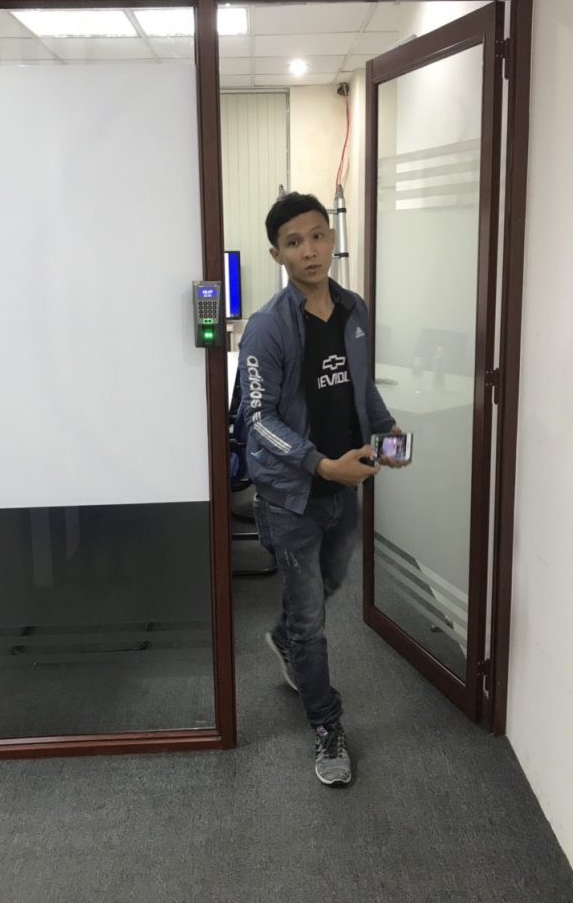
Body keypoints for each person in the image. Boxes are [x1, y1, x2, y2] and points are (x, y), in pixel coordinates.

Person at [238, 191, 407, 787]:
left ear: (331, 239)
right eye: (294, 242)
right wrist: (320, 464)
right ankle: (326, 724)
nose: (309, 250)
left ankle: (283, 638)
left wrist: (385, 428)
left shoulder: (354, 310)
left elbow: (360, 386)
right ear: (277, 255)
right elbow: (256, 419)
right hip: (291, 496)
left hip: (343, 485)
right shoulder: (267, 328)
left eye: (317, 236)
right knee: (312, 618)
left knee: (331, 580)